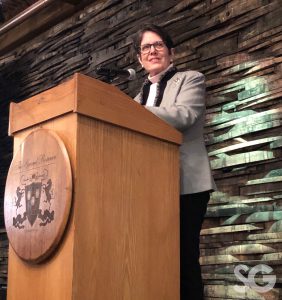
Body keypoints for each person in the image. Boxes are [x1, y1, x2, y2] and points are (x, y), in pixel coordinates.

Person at [133, 24, 216, 300]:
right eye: (146, 47)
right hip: (149, 188)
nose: (152, 51)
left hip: (187, 184)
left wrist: (137, 114)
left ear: (171, 52)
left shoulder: (191, 78)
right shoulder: (134, 100)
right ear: (139, 59)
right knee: (154, 260)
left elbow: (184, 115)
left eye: (158, 45)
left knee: (183, 258)